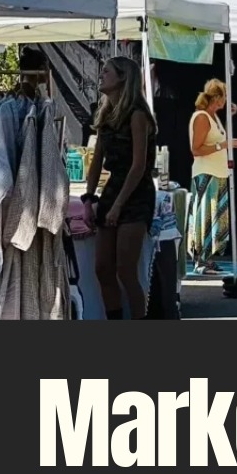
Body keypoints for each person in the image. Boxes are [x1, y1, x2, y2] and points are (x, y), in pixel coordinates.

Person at [83, 57, 157, 320]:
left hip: (136, 193)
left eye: (106, 71)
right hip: (114, 188)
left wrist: (117, 206)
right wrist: (89, 198)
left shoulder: (137, 114)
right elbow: (96, 162)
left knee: (125, 270)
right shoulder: (105, 115)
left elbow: (138, 166)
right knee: (103, 268)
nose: (101, 75)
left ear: (123, 77)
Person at [186, 79, 237, 275]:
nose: (226, 100)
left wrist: (229, 113)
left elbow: (218, 135)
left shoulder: (213, 117)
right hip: (206, 174)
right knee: (205, 218)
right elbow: (196, 149)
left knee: (215, 219)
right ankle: (201, 260)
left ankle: (208, 259)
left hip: (218, 173)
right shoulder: (201, 117)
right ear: (216, 98)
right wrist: (224, 145)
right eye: (223, 96)